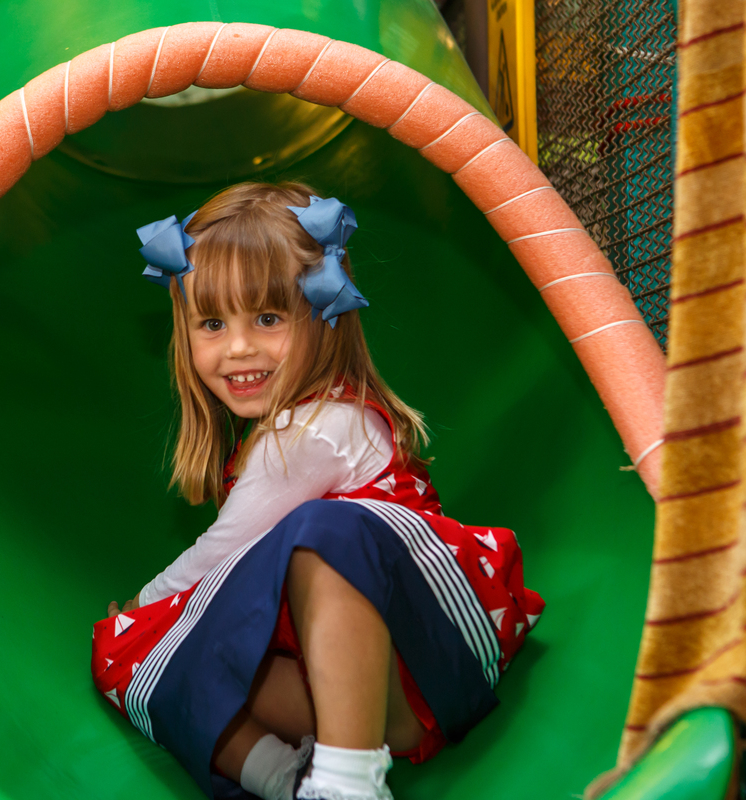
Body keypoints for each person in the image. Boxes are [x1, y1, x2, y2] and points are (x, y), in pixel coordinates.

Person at [92, 182, 543, 800]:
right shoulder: (286, 427)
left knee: (316, 539)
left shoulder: (313, 432)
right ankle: (290, 781)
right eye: (213, 323)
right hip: (369, 691)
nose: (239, 348)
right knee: (163, 657)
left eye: (268, 318)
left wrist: (140, 605)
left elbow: (221, 550)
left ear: (324, 315)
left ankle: (347, 783)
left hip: (431, 661)